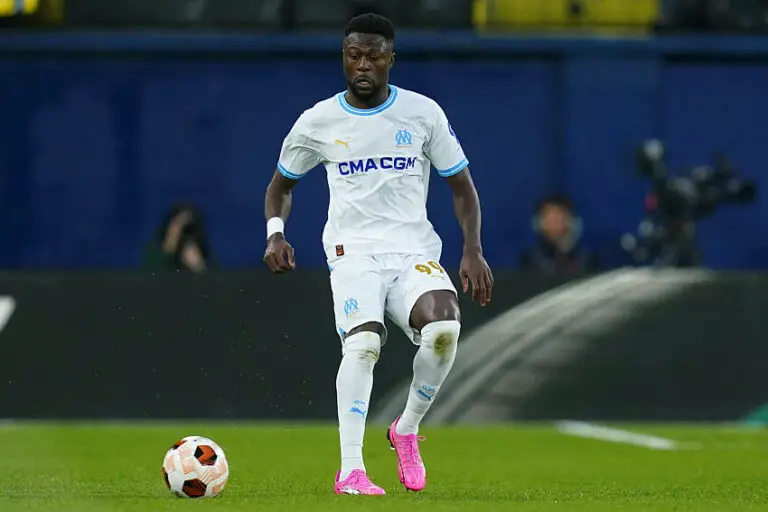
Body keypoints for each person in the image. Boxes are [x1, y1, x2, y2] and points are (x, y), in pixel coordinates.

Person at [262, 13, 493, 496]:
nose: (363, 65)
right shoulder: (318, 121)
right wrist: (275, 234)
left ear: (391, 58)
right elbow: (280, 186)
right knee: (364, 344)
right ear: (344, 58)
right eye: (354, 55)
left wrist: (472, 248)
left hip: (412, 250)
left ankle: (405, 430)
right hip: (353, 254)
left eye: (373, 56)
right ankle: (351, 469)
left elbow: (462, 187)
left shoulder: (422, 113)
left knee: (445, 330)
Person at [143, 203, 211, 274]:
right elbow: (151, 274)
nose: (179, 233)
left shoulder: (205, 254)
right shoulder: (153, 251)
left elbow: (213, 276)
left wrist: (198, 266)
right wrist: (169, 248)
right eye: (177, 225)